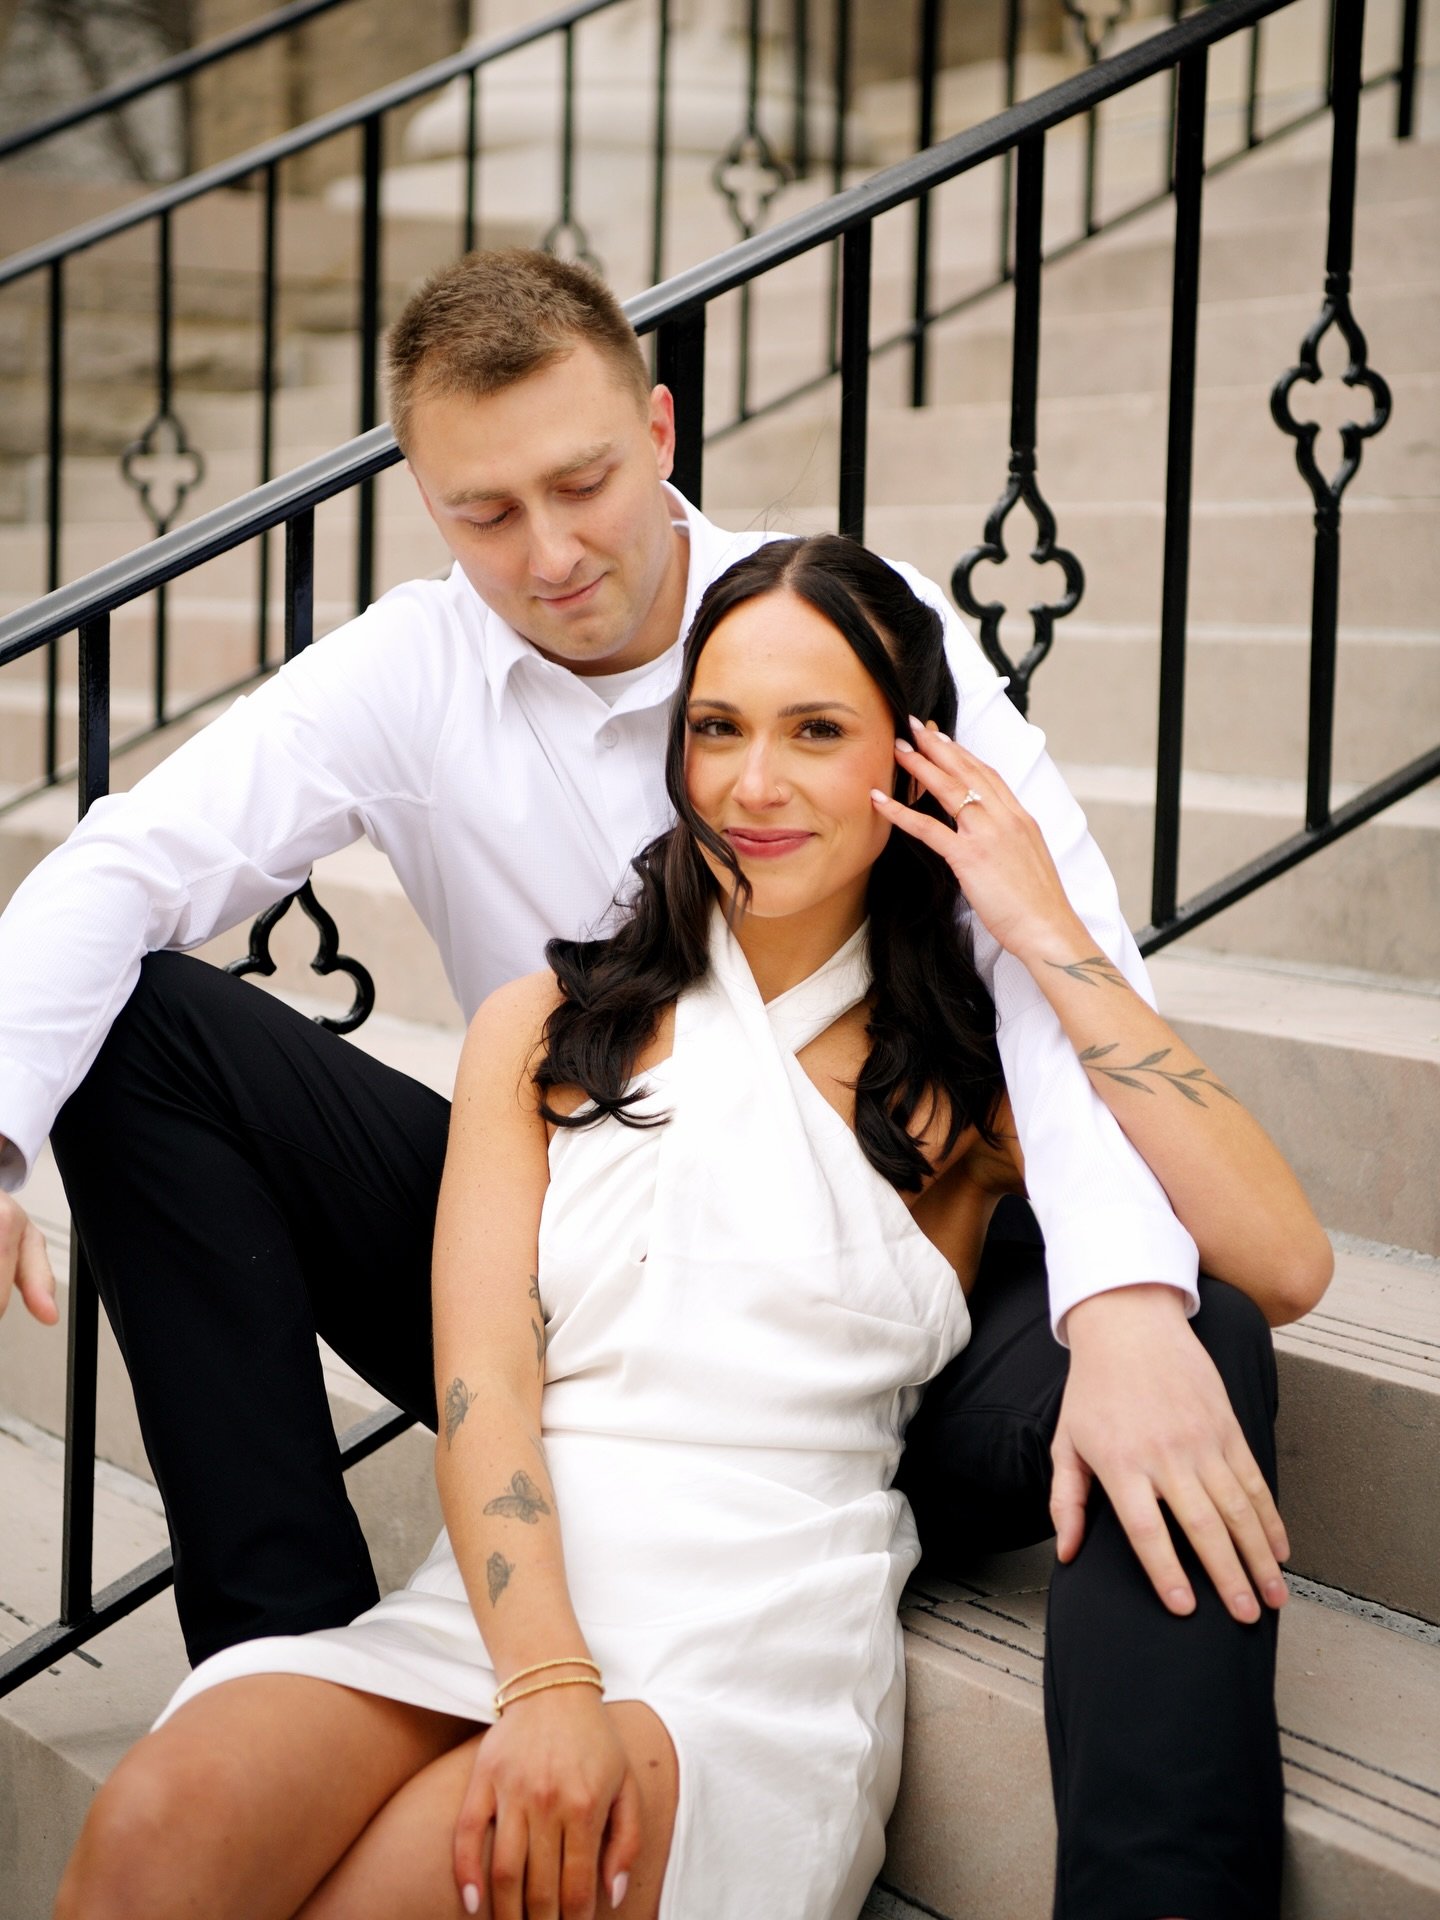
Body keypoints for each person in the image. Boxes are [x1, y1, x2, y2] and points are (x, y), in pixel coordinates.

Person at [0, 252, 1329, 1904]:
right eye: (486, 514)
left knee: (1187, 1330)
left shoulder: (851, 631)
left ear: (660, 430)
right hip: (582, 1235)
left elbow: (1077, 1009)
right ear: (423, 498)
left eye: (582, 485)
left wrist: (1120, 1302)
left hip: (872, 1291)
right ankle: (289, 1652)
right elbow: (124, 864)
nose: (551, 555)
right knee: (125, 1023)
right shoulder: (422, 709)